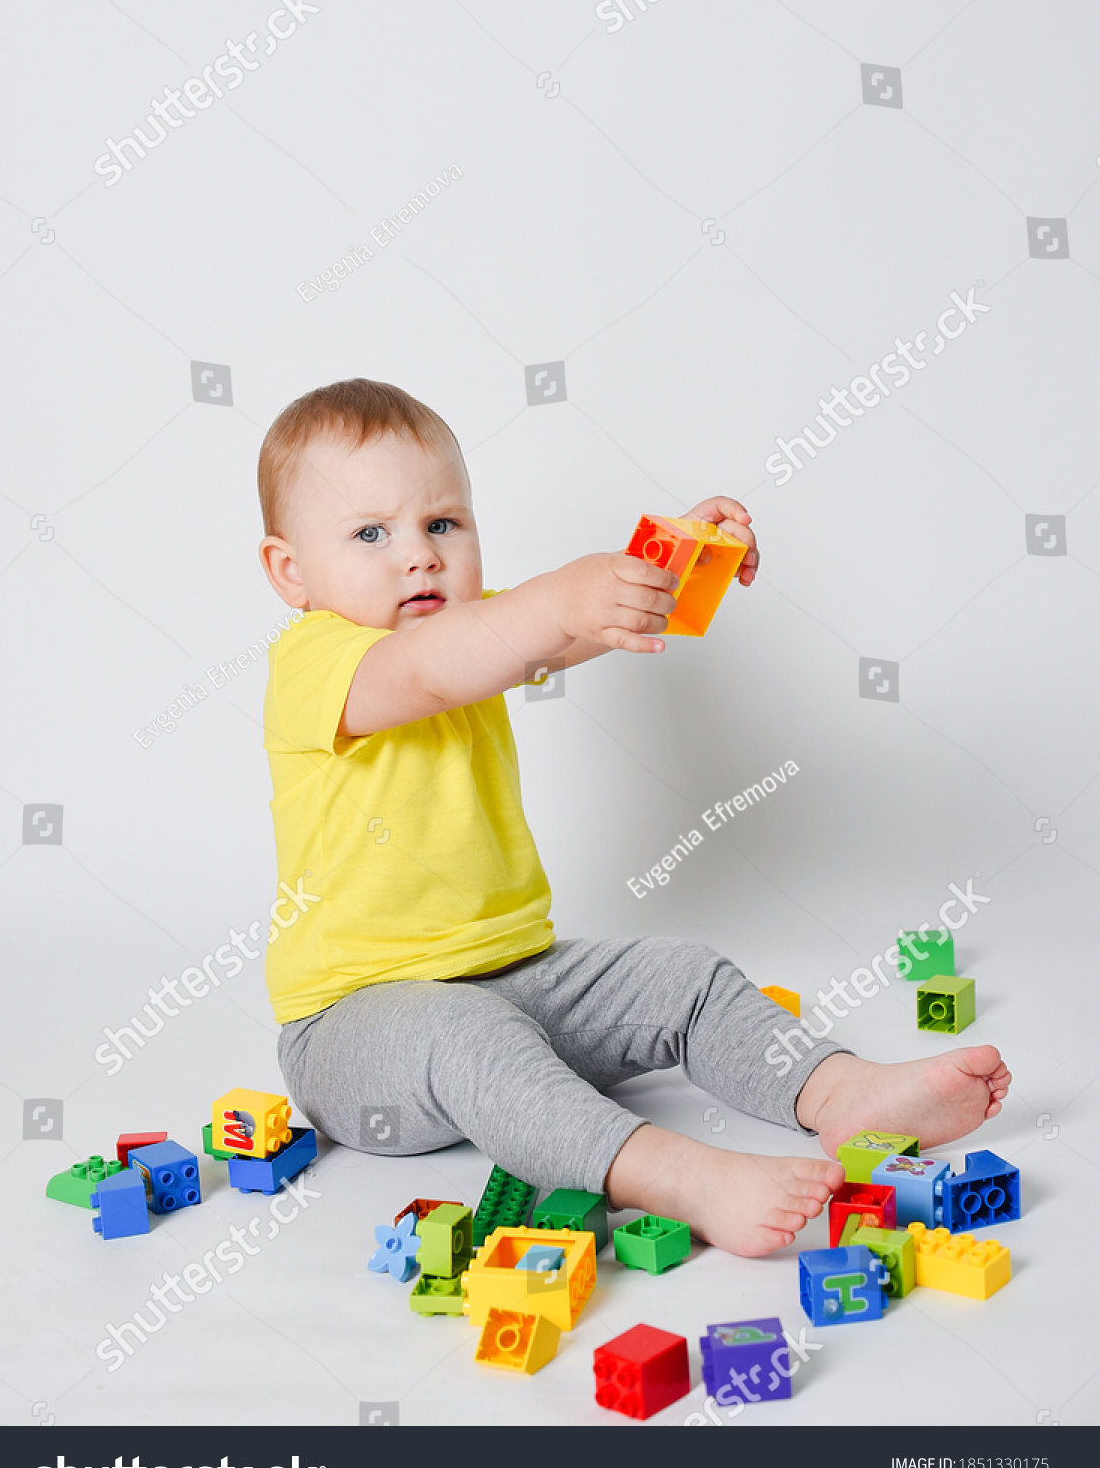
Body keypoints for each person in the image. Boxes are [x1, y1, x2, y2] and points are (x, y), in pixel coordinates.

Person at [256, 378, 1010, 1258]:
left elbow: (544, 635)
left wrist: (667, 570)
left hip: (512, 979)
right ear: (291, 571)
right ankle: (681, 1177)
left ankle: (837, 1090)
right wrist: (553, 601)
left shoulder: (475, 632)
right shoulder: (317, 662)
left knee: (681, 975)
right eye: (370, 534)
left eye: (442, 525)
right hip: (354, 1034)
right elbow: (432, 669)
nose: (418, 556)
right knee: (464, 1034)